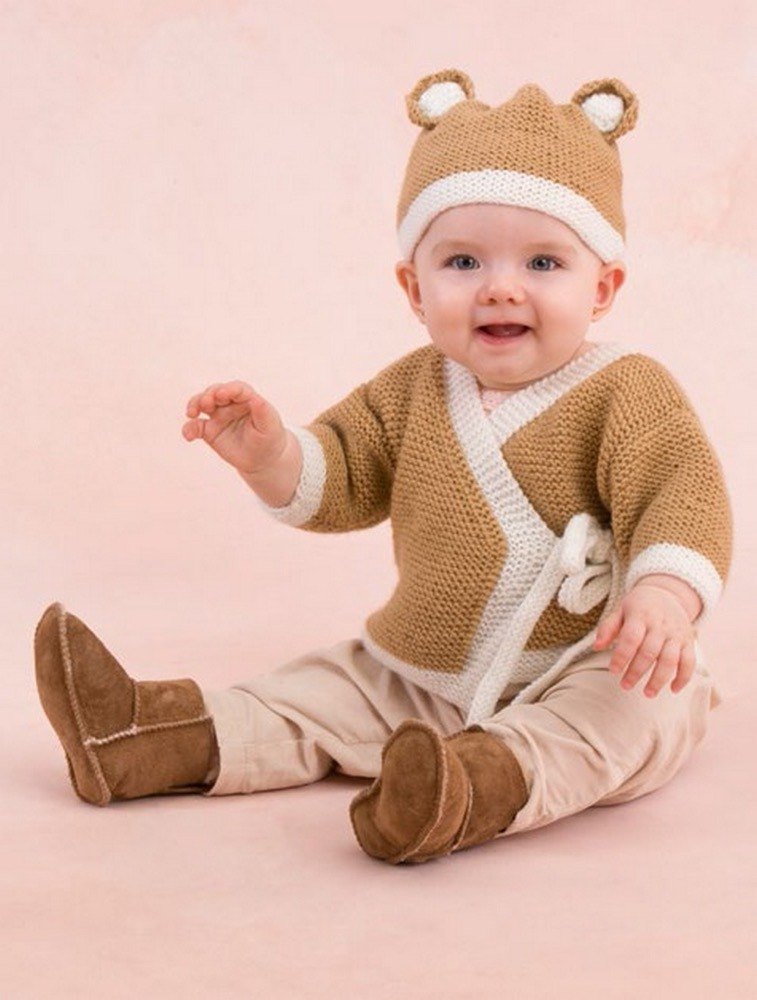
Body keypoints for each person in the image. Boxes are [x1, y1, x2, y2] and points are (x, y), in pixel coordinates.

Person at [34, 68, 733, 865]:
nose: (500, 289)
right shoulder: (411, 389)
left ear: (601, 286)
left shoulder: (627, 392)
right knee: (316, 694)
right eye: (463, 263)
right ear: (413, 286)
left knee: (631, 719)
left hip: (589, 662)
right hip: (419, 667)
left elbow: (681, 490)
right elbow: (341, 474)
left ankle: (468, 789)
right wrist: (272, 456)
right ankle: (141, 736)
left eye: (543, 264)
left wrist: (662, 596)